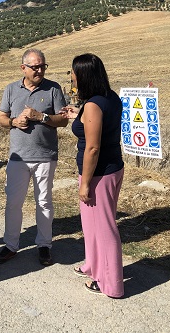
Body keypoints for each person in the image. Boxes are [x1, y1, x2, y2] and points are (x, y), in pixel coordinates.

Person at [0, 48, 68, 266]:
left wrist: (41, 116)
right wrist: (14, 122)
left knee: (44, 202)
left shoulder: (53, 89)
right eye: (35, 67)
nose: (40, 70)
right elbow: (1, 117)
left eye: (43, 66)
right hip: (18, 157)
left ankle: (44, 245)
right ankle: (10, 245)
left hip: (45, 155)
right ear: (23, 68)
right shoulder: (10, 89)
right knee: (13, 202)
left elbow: (63, 121)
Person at [60, 53, 124, 298]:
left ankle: (111, 284)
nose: (72, 77)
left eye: (73, 73)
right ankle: (93, 267)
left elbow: (93, 147)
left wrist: (85, 183)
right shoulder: (109, 97)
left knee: (105, 228)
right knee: (91, 226)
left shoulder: (94, 105)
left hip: (99, 175)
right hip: (112, 168)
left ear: (84, 76)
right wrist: (79, 114)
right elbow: (98, 121)